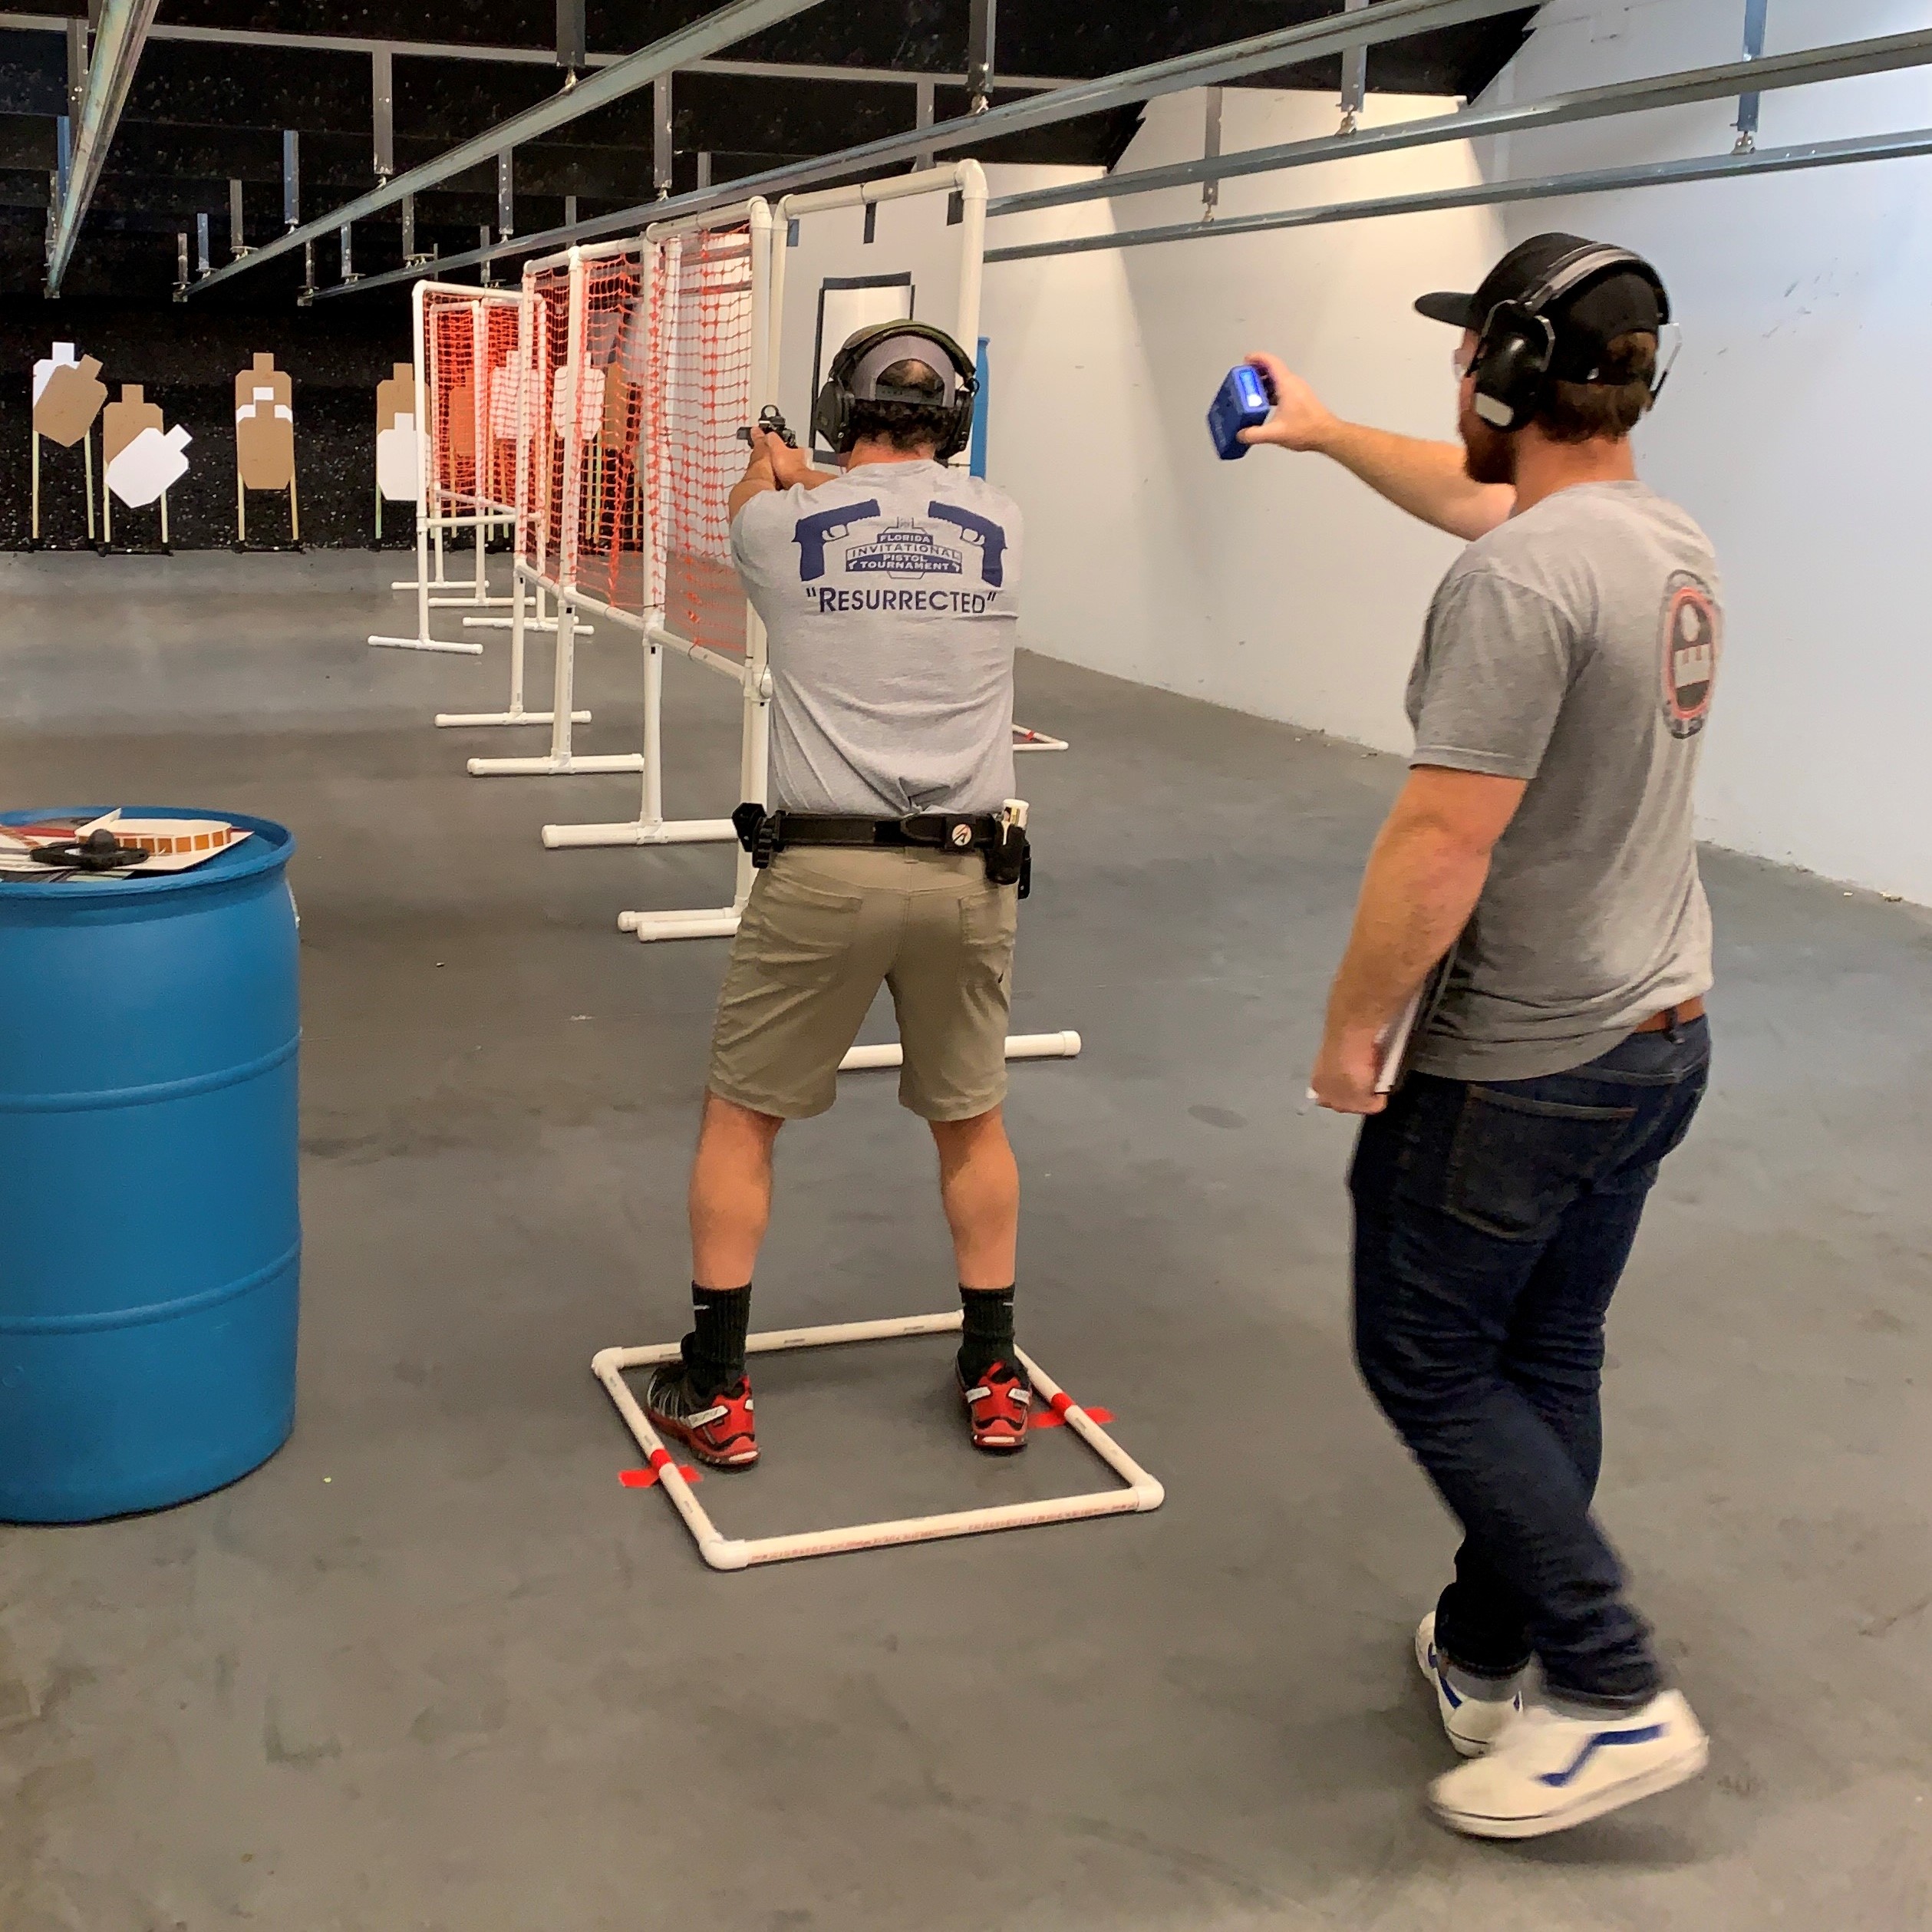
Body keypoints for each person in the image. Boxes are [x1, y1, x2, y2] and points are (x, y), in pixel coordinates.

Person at [1244, 234, 1721, 1838]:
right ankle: (1488, 1641)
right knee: (1548, 1353)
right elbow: (1474, 499)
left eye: (1464, 358)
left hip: (1521, 1056)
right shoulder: (1653, 539)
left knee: (1428, 1355)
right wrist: (1316, 433)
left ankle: (1604, 1683)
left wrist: (1348, 1029)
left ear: (1506, 375)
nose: (1450, 381)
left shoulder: (1518, 578)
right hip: (1657, 1029)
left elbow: (1440, 840)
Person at [643, 321, 1034, 1471]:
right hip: (971, 871)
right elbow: (901, 505)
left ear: (837, 407)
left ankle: (714, 1384)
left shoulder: (778, 528)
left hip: (822, 871)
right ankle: (994, 1369)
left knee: (741, 1118)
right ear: (951, 416)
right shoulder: (1002, 524)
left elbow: (767, 500)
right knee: (973, 1123)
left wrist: (774, 452)